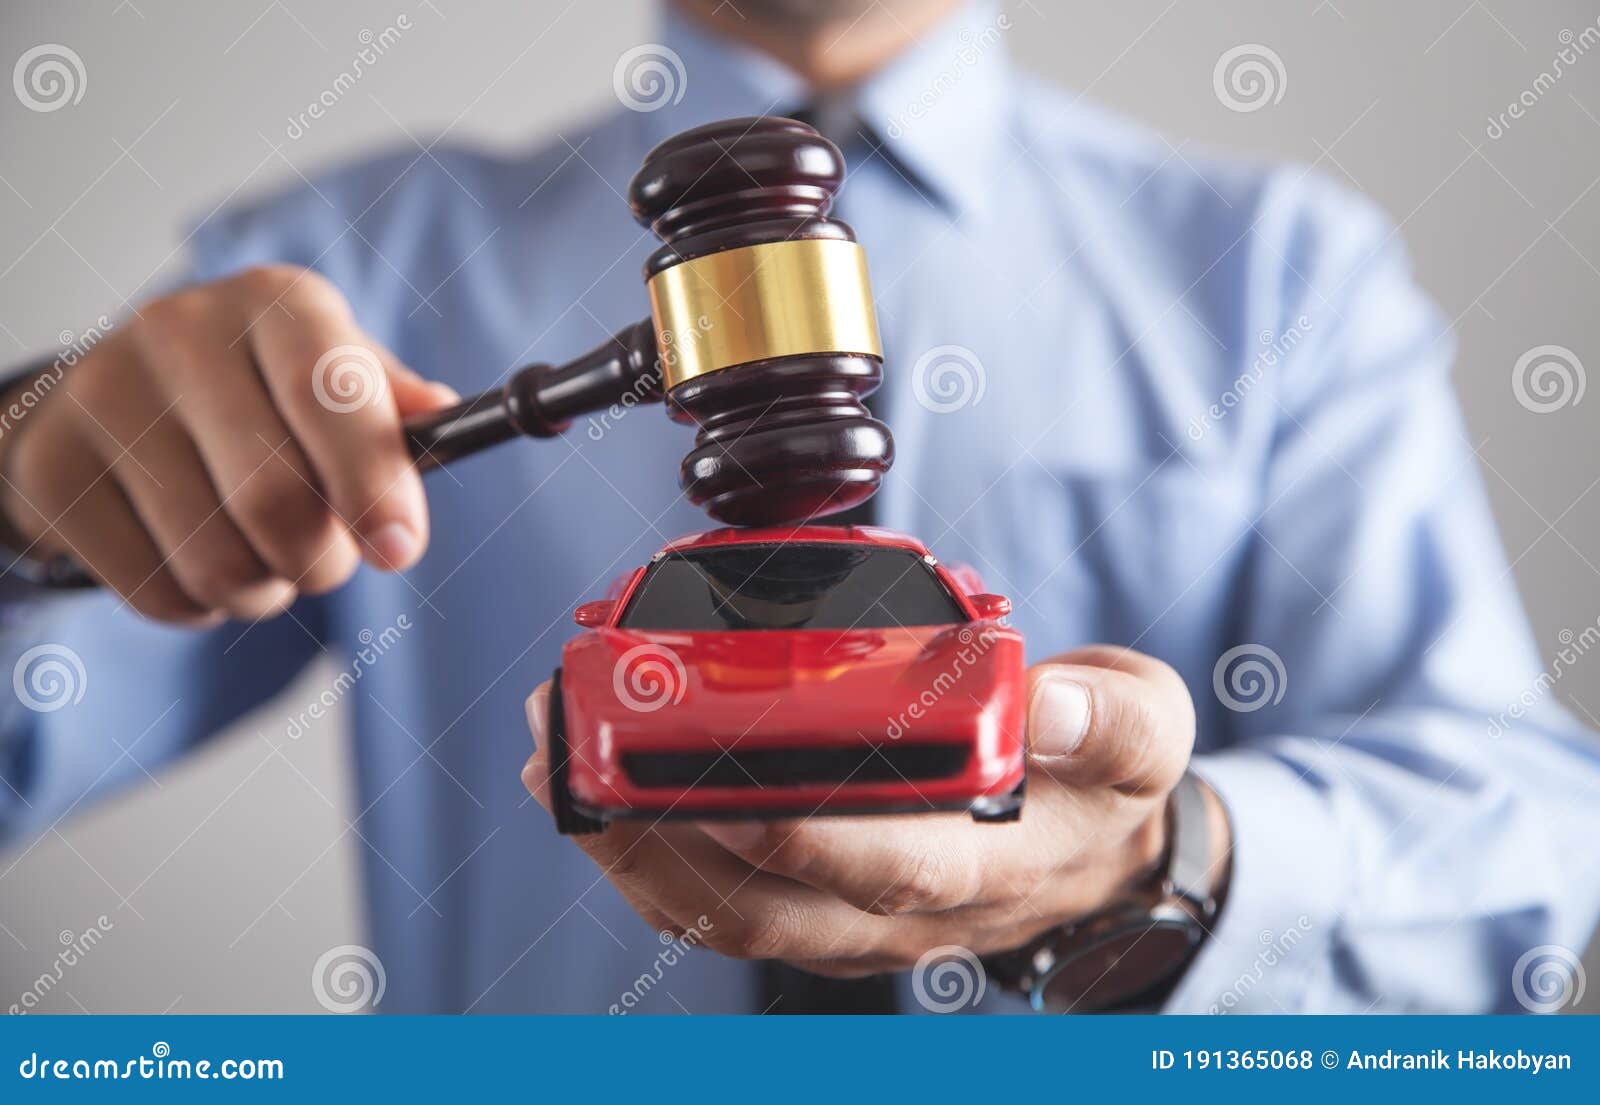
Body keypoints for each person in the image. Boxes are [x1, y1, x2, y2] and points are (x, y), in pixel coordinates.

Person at [2, 0, 1597, 1014]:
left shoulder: (1275, 274)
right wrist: (24, 481)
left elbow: (1528, 847)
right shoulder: (355, 271)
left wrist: (1166, 865)